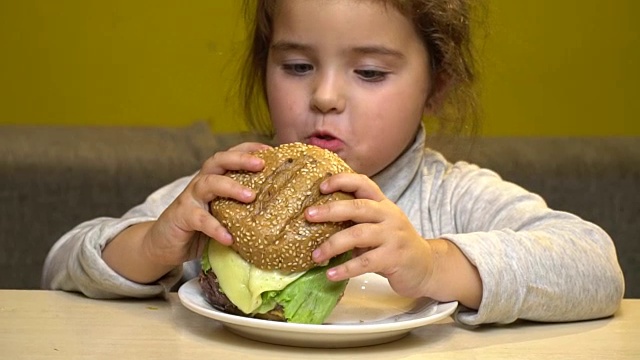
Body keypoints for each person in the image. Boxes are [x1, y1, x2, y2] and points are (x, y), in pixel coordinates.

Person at [42, 0, 624, 326]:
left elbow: (597, 266)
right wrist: (152, 247)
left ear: (435, 86)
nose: (324, 96)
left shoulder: (452, 198)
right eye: (296, 66)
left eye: (369, 72)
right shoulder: (228, 198)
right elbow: (61, 265)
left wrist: (433, 265)